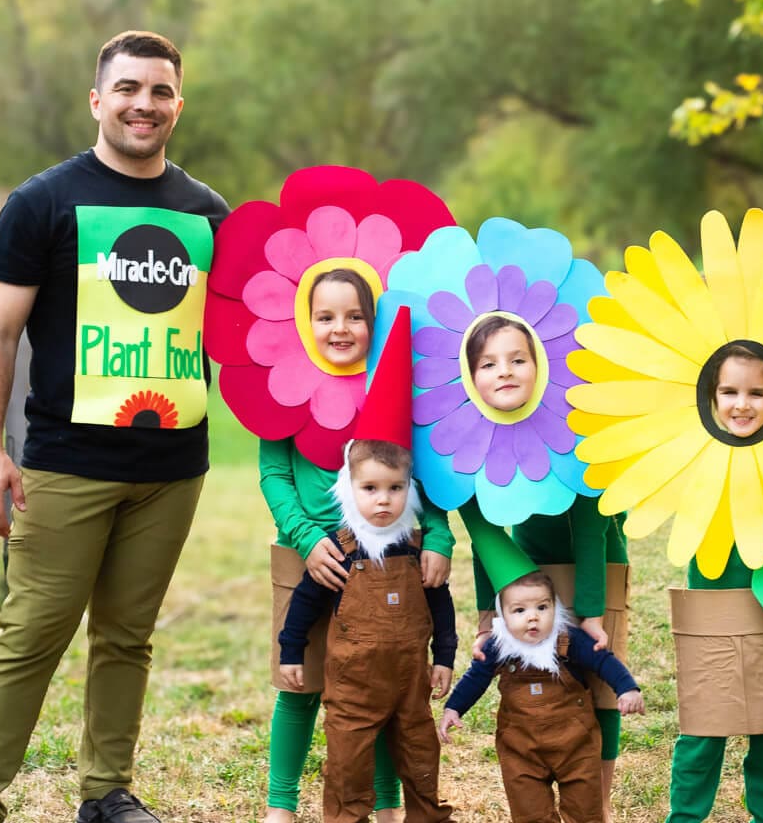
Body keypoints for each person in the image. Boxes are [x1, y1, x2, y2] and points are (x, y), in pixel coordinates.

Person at [0, 31, 229, 823]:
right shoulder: (43, 202)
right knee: (32, 632)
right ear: (98, 100)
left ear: (179, 104)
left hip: (174, 466)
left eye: (162, 91)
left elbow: (252, 334)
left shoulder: (207, 214)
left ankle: (107, 793)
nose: (146, 104)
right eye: (129, 89)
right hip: (65, 462)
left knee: (127, 637)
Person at [260, 270, 455, 823]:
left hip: (393, 559)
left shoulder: (397, 382)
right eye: (325, 317)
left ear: (374, 323)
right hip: (308, 555)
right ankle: (280, 805)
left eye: (355, 317)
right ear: (306, 321)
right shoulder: (284, 384)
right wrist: (306, 536)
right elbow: (273, 472)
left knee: (388, 685)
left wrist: (437, 536)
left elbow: (429, 476)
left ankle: (389, 803)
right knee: (298, 682)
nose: (340, 328)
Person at [464, 315, 632, 820]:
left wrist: (592, 611)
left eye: (519, 359)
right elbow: (484, 534)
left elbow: (590, 526)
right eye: (489, 363)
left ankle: (594, 803)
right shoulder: (477, 435)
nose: (506, 371)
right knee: (542, 677)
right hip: (528, 564)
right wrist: (486, 613)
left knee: (598, 684)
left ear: (538, 365)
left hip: (598, 560)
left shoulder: (568, 417)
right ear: (472, 377)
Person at [664, 342, 763, 823]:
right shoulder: (697, 451)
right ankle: (684, 816)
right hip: (713, 601)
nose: (741, 404)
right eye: (729, 392)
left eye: (756, 393)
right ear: (711, 396)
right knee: (705, 725)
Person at [441, 571, 644, 823]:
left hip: (576, 745)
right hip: (521, 750)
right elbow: (476, 678)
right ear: (502, 617)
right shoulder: (498, 647)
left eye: (542, 607)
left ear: (554, 608)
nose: (532, 617)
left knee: (585, 811)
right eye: (519, 611)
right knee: (529, 812)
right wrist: (453, 708)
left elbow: (602, 660)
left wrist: (627, 688)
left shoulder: (569, 639)